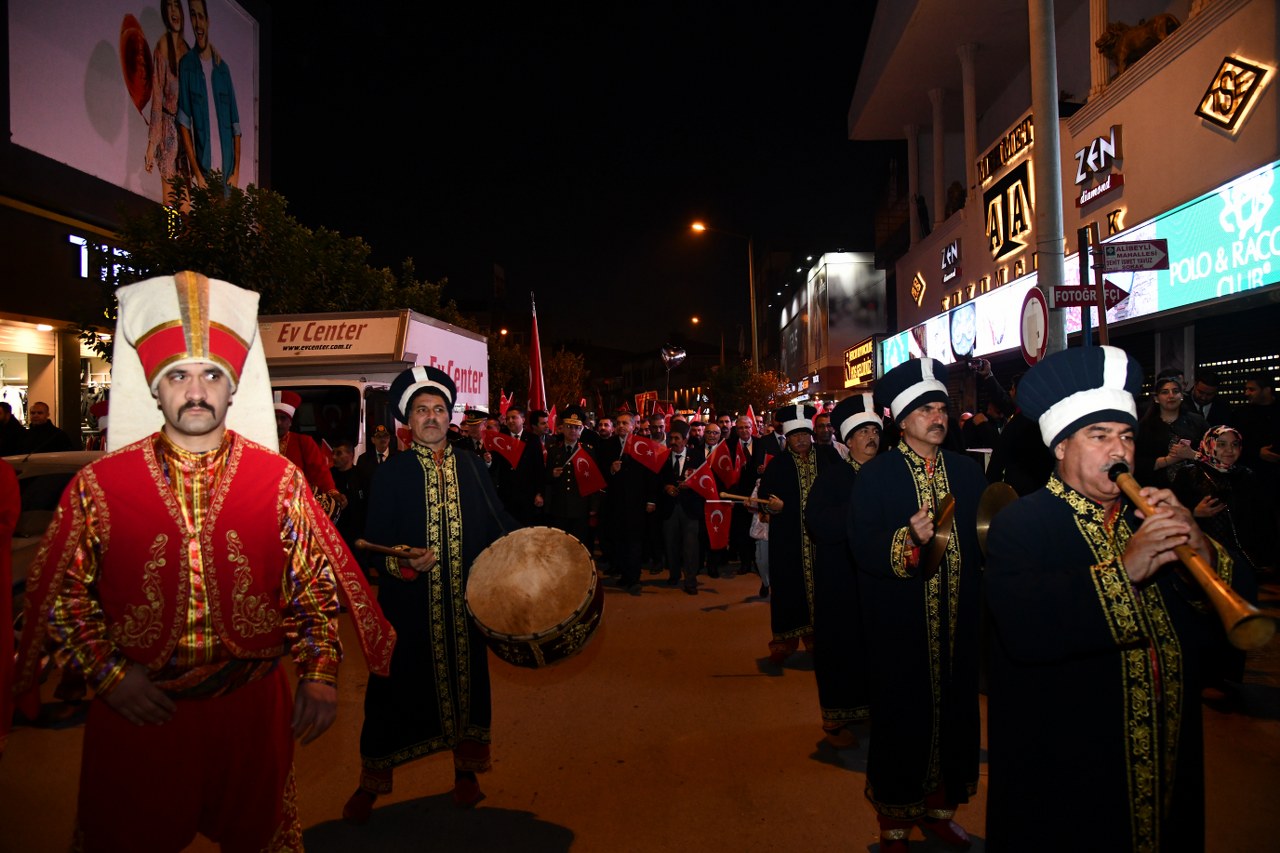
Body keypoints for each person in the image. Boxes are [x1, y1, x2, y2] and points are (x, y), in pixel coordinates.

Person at [13, 272, 392, 850]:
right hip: (137, 715)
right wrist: (111, 676)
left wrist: (318, 674)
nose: (196, 390)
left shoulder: (280, 481)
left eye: (211, 374)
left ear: (233, 386)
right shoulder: (100, 485)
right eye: (177, 376)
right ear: (154, 388)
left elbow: (311, 586)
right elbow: (66, 596)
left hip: (252, 711)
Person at [985, 345, 1228, 852]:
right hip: (1073, 760)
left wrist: (1198, 546)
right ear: (1059, 447)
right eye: (1098, 436)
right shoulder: (1020, 524)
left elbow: (1221, 614)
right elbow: (1026, 631)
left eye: (1125, 436)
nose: (1118, 451)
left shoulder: (1153, 510)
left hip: (1168, 743)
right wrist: (1125, 570)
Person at [345, 364, 518, 823]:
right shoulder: (391, 474)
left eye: (439, 409)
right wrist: (400, 560)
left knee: (467, 688)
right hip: (409, 610)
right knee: (390, 696)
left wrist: (536, 548)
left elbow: (499, 522)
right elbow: (371, 546)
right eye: (422, 410)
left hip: (466, 608)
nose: (432, 417)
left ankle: (466, 772)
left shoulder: (470, 465)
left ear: (449, 416)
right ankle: (372, 781)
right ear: (408, 420)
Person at [849, 357, 986, 851]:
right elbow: (861, 545)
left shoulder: (968, 473)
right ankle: (894, 825)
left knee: (953, 715)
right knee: (902, 720)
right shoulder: (877, 476)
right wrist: (905, 539)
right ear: (902, 420)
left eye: (942, 409)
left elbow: (985, 536)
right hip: (900, 627)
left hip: (958, 624)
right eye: (927, 409)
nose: (939, 417)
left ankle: (939, 810)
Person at [1170, 424, 1273, 703]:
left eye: (1235, 445)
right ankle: (1203, 678)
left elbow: (1260, 520)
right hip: (1202, 557)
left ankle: (1226, 676)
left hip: (1240, 561)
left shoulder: (1247, 476)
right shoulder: (1188, 474)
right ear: (1209, 444)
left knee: (1238, 620)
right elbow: (1171, 515)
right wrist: (1195, 513)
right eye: (1222, 444)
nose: (1229, 451)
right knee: (1206, 619)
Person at [802, 393, 878, 748]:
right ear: (848, 441)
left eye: (874, 430)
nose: (870, 438)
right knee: (841, 648)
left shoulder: (888, 475)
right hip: (841, 579)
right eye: (862, 432)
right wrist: (858, 511)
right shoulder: (833, 478)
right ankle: (836, 720)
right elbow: (817, 522)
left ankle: (871, 708)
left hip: (879, 580)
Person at [758, 404, 839, 663]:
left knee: (827, 590)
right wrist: (772, 506)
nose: (801, 440)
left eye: (805, 434)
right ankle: (784, 641)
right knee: (788, 589)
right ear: (788, 439)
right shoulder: (778, 465)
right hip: (788, 542)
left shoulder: (829, 458)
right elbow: (763, 499)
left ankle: (822, 639)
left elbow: (842, 492)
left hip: (823, 540)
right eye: (796, 436)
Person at [177, 0, 241, 190]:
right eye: (193, 16)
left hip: (227, 179)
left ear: (208, 21)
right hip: (205, 177)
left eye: (201, 16)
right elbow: (184, 123)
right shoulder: (187, 65)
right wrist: (197, 173)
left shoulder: (223, 70)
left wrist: (236, 172)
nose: (197, 23)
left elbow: (236, 127)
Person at [144, 0, 189, 206]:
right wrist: (152, 144)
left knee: (187, 202)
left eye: (176, 5)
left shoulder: (188, 51)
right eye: (169, 6)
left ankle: (185, 236)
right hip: (168, 131)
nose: (174, 11)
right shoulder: (162, 47)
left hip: (186, 134)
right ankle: (171, 236)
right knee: (170, 199)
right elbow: (156, 95)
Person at [274, 389, 345, 516]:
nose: (278, 423)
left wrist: (333, 493)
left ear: (290, 422)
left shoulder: (303, 442)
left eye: (283, 418)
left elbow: (320, 472)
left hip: (297, 509)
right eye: (275, 418)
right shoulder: (259, 443)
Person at [657, 420, 706, 594]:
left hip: (690, 509)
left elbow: (704, 480)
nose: (673, 442)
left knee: (691, 546)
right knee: (670, 544)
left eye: (677, 438)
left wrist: (692, 485)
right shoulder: (663, 456)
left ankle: (691, 581)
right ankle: (674, 574)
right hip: (670, 508)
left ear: (685, 440)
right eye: (672, 438)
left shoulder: (698, 456)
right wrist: (666, 487)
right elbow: (658, 480)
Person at [1135, 374, 1209, 486]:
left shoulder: (1198, 422)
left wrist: (1193, 454)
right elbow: (1136, 463)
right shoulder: (1144, 427)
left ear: (1182, 396)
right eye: (1165, 392)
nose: (1171, 396)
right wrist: (1168, 460)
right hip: (1155, 490)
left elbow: (1215, 457)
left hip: (1194, 489)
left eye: (1175, 391)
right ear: (1156, 398)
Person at [543, 405, 596, 549]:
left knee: (579, 546)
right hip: (559, 507)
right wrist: (552, 475)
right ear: (563, 428)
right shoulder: (554, 451)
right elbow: (546, 478)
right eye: (569, 427)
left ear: (580, 431)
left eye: (576, 428)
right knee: (560, 545)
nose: (572, 430)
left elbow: (592, 481)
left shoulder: (587, 451)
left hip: (580, 507)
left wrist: (592, 507)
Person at [330, 437, 370, 574]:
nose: (334, 457)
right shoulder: (328, 477)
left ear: (351, 455)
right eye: (333, 453)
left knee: (359, 571)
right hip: (335, 533)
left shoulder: (362, 476)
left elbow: (368, 504)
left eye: (339, 453)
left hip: (357, 534)